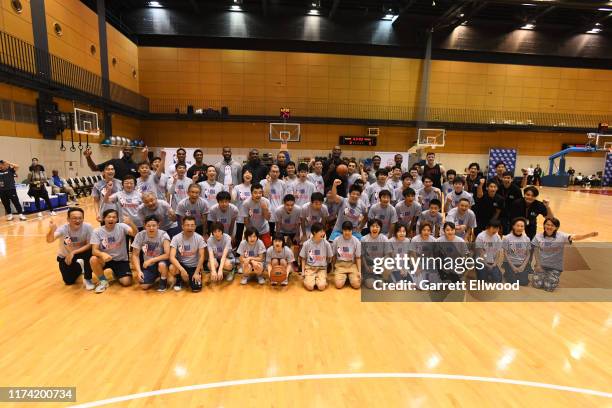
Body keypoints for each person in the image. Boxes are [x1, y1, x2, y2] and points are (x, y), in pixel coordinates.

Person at [532, 217, 598, 292]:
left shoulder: (562, 236)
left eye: (552, 225)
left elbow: (575, 237)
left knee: (548, 287)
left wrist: (588, 235)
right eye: (547, 224)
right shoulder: (538, 236)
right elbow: (536, 250)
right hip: (542, 266)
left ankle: (552, 278)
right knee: (537, 285)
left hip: (555, 267)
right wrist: (538, 264)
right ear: (544, 225)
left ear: (556, 227)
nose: (549, 227)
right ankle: (544, 275)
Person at [89, 210, 138, 293]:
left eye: (114, 217)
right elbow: (94, 251)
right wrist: (102, 254)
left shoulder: (122, 226)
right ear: (104, 219)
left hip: (120, 260)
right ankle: (103, 281)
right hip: (105, 259)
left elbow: (135, 234)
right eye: (109, 217)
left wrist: (131, 223)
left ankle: (116, 273)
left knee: (127, 282)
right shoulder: (97, 231)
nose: (111, 219)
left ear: (117, 219)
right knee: (93, 259)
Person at [46, 207, 94, 288]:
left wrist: (73, 252)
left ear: (83, 218)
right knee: (69, 281)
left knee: (91, 253)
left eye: (80, 218)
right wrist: (52, 230)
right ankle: (79, 266)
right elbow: (50, 240)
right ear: (68, 219)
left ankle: (88, 279)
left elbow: (90, 244)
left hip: (81, 252)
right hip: (66, 255)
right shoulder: (63, 229)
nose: (77, 220)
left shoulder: (88, 227)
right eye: (74, 218)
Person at [131, 215, 171, 291]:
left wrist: (151, 260)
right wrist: (139, 271)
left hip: (161, 261)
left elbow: (167, 254)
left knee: (161, 265)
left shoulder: (163, 235)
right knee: (143, 286)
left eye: (154, 225)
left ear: (158, 225)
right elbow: (135, 255)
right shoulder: (140, 235)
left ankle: (163, 280)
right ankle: (156, 276)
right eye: (148, 226)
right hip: (149, 265)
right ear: (144, 226)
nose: (151, 228)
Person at [169, 216, 206, 292]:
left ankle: (191, 277)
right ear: (182, 226)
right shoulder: (176, 238)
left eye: (192, 225)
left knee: (196, 289)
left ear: (195, 227)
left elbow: (202, 256)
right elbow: (172, 257)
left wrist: (196, 272)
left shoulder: (199, 238)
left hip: (194, 266)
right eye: (187, 225)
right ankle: (178, 280)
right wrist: (182, 270)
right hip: (182, 265)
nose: (190, 227)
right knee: (172, 267)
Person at [299, 222, 332, 291]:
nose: (323, 233)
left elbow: (329, 257)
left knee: (321, 287)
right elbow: (303, 259)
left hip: (321, 269)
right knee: (310, 287)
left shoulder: (326, 244)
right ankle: (311, 279)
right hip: (310, 268)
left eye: (324, 231)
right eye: (321, 231)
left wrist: (325, 268)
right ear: (314, 232)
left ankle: (320, 279)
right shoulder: (306, 244)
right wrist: (303, 271)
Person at [502, 217, 532, 286]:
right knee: (512, 282)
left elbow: (528, 254)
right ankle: (507, 273)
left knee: (523, 282)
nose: (520, 228)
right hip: (510, 263)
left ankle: (515, 272)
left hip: (522, 263)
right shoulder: (507, 238)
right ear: (513, 226)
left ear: (524, 228)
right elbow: (505, 254)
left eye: (522, 226)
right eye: (517, 226)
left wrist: (523, 266)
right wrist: (513, 267)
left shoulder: (527, 239)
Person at [332, 221, 362, 289]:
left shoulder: (356, 241)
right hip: (340, 265)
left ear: (352, 230)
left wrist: (359, 272)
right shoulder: (336, 240)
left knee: (357, 285)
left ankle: (349, 277)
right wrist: (333, 268)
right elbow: (333, 256)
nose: (347, 232)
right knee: (338, 285)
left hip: (352, 265)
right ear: (342, 230)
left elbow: (358, 258)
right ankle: (346, 277)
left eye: (349, 230)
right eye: (345, 230)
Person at [361, 219, 390, 287]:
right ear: (369, 227)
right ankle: (371, 278)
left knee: (382, 284)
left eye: (377, 226)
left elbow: (387, 255)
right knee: (370, 285)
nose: (375, 228)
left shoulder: (384, 238)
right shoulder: (364, 239)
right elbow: (362, 256)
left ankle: (381, 278)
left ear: (380, 228)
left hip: (380, 263)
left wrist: (377, 265)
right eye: (373, 226)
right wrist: (366, 267)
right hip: (369, 265)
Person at [274, 194, 302, 262]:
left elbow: (298, 223)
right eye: (287, 205)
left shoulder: (298, 210)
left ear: (294, 204)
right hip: (281, 230)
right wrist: (277, 237)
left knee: (297, 243)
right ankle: (278, 259)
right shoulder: (278, 210)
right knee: (278, 243)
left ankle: (295, 261)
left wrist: (297, 235)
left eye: (292, 205)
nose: (290, 207)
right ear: (284, 203)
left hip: (293, 230)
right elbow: (278, 224)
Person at [410, 221, 438, 286]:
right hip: (417, 262)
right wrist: (417, 267)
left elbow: (434, 256)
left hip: (428, 262)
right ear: (420, 230)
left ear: (431, 231)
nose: (426, 232)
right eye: (424, 230)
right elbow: (412, 255)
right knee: (420, 286)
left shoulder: (433, 240)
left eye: (428, 230)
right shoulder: (415, 239)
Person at [262, 165, 287, 236]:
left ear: (279, 173)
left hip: (279, 214)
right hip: (267, 214)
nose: (275, 173)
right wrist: (268, 182)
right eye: (273, 171)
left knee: (277, 236)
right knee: (268, 235)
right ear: (269, 172)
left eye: (277, 172)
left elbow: (284, 200)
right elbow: (265, 195)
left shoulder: (283, 183)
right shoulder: (263, 182)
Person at [232, 169, 252, 244]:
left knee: (250, 234)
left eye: (250, 173)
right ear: (242, 176)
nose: (248, 174)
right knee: (238, 235)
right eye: (246, 173)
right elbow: (233, 199)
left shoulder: (253, 187)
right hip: (240, 216)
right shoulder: (237, 187)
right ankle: (238, 251)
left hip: (251, 217)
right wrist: (231, 189)